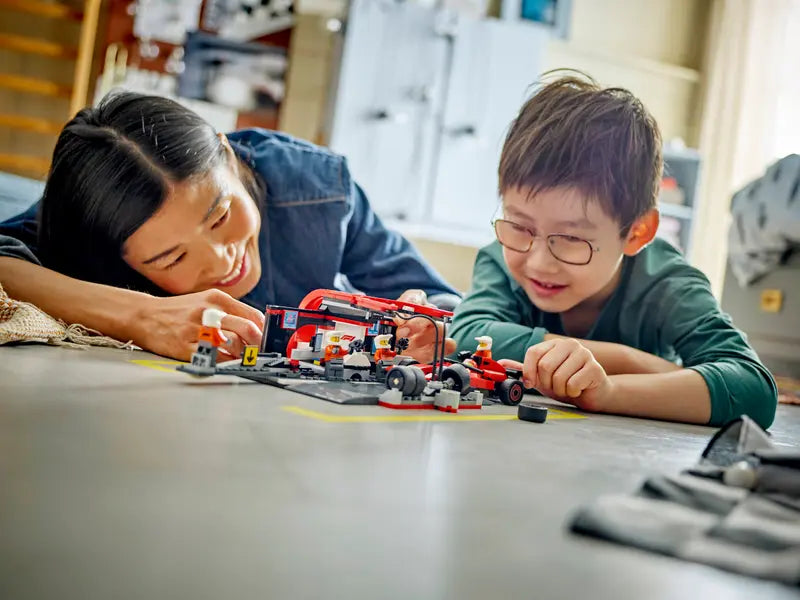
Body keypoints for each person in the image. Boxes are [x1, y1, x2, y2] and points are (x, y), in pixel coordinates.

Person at [0, 91, 459, 362]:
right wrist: (139, 315)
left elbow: (438, 298)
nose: (223, 258)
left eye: (220, 216)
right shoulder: (93, 213)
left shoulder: (318, 185)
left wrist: (424, 325)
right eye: (171, 257)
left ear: (229, 155)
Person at [450, 74, 778, 429]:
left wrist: (608, 391)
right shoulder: (501, 259)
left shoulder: (667, 284)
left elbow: (753, 390)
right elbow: (466, 337)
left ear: (636, 233)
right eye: (521, 226)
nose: (539, 262)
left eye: (572, 239)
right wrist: (635, 361)